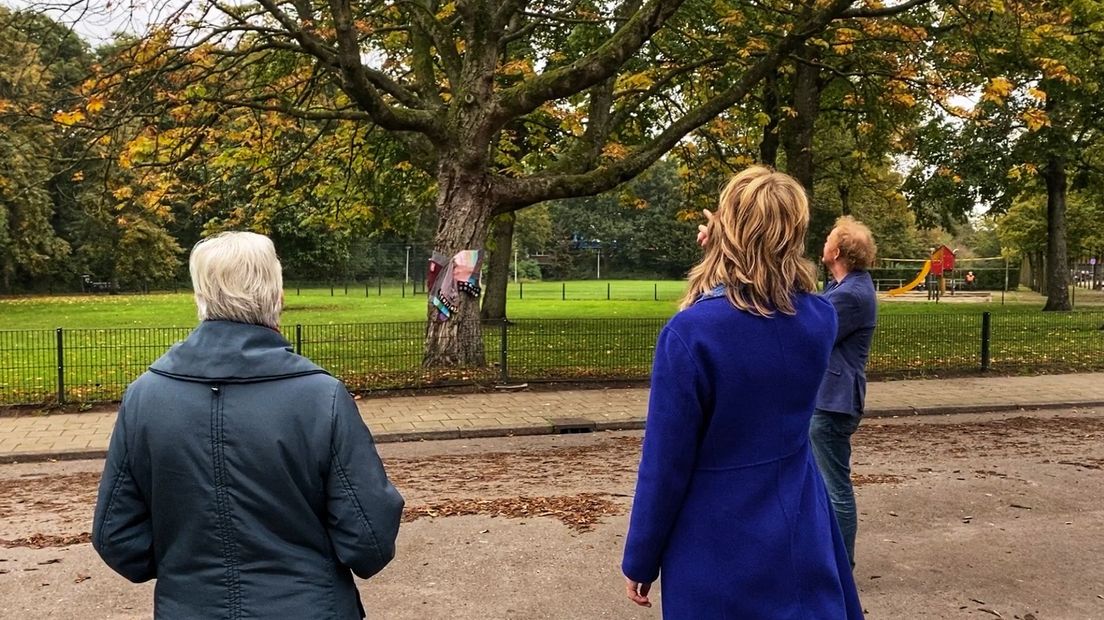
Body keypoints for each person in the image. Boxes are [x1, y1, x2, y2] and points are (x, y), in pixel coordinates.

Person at [92, 232, 404, 619]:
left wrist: (189, 570)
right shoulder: (320, 397)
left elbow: (116, 536)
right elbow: (369, 540)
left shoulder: (145, 397)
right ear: (278, 296)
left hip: (190, 606)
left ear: (199, 296)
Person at [622, 167, 863, 618]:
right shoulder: (819, 320)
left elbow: (666, 462)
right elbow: (780, 302)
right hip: (799, 517)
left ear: (725, 231)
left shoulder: (691, 333)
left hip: (716, 532)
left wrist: (641, 554)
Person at [810, 216, 878, 568]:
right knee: (823, 483)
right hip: (829, 398)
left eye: (827, 240)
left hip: (833, 401)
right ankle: (827, 560)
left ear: (836, 251)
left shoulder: (851, 295)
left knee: (834, 486)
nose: (823, 244)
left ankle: (839, 566)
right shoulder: (846, 287)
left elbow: (812, 328)